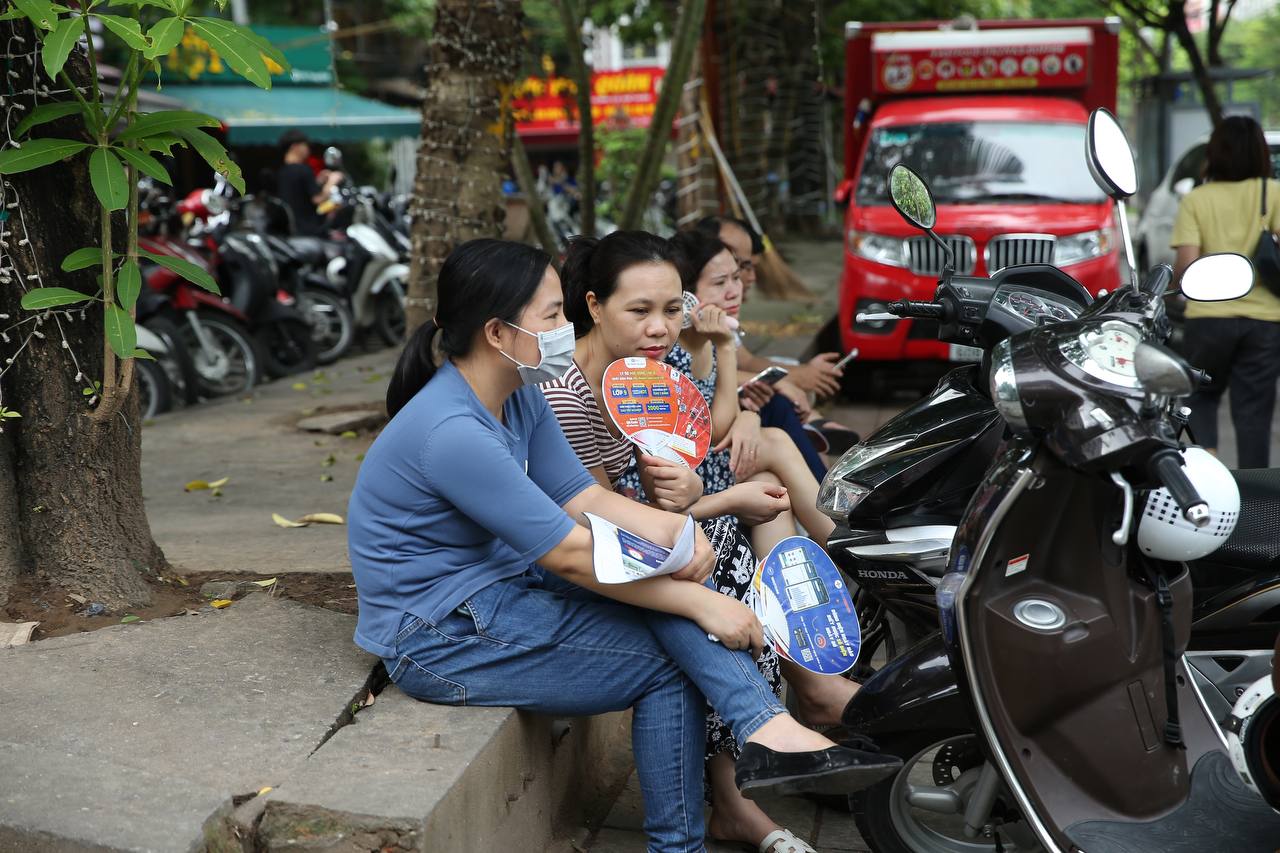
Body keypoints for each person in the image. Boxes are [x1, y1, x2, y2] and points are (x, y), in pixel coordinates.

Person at [346, 238, 900, 853]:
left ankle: (764, 731)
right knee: (673, 656)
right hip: (438, 632)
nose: (564, 329)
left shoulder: (518, 395)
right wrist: (697, 602)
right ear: (498, 333)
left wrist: (680, 532)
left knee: (678, 597)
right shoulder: (451, 430)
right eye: (551, 316)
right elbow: (567, 554)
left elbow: (585, 498)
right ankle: (750, 746)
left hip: (501, 589)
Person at [545, 231, 868, 852]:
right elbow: (600, 531)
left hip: (651, 543)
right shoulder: (568, 399)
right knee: (722, 567)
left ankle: (754, 767)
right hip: (593, 562)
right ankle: (783, 723)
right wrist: (718, 501)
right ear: (592, 305)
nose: (660, 327)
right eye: (640, 311)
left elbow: (697, 443)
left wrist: (711, 464)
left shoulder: (638, 369)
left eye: (671, 309)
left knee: (740, 540)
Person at [667, 229, 837, 548]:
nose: (734, 291)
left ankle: (789, 593)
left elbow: (724, 412)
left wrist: (748, 417)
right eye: (719, 283)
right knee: (775, 441)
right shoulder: (671, 351)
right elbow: (712, 434)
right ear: (686, 297)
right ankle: (844, 544)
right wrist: (728, 351)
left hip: (715, 466)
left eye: (735, 278)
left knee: (771, 486)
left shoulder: (712, 342)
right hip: (686, 482)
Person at [697, 216, 861, 461]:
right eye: (743, 266)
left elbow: (743, 361)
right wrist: (791, 379)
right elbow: (706, 383)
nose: (746, 280)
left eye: (740, 270)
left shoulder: (720, 319)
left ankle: (813, 426)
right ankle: (813, 431)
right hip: (709, 445)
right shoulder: (685, 328)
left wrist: (796, 376)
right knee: (779, 410)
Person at [1172, 115, 1280, 469]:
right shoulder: (1275, 193)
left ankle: (1207, 479)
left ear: (1215, 151)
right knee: (1254, 414)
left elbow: (1187, 265)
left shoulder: (1197, 199)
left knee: (1200, 399)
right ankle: (1256, 499)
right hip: (1264, 321)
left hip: (1208, 319)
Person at [277, 129, 344, 237]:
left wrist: (318, 181)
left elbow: (299, 192)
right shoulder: (304, 170)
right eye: (305, 145)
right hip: (308, 231)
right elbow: (317, 199)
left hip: (288, 231)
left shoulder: (281, 172)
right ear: (294, 147)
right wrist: (332, 181)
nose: (308, 149)